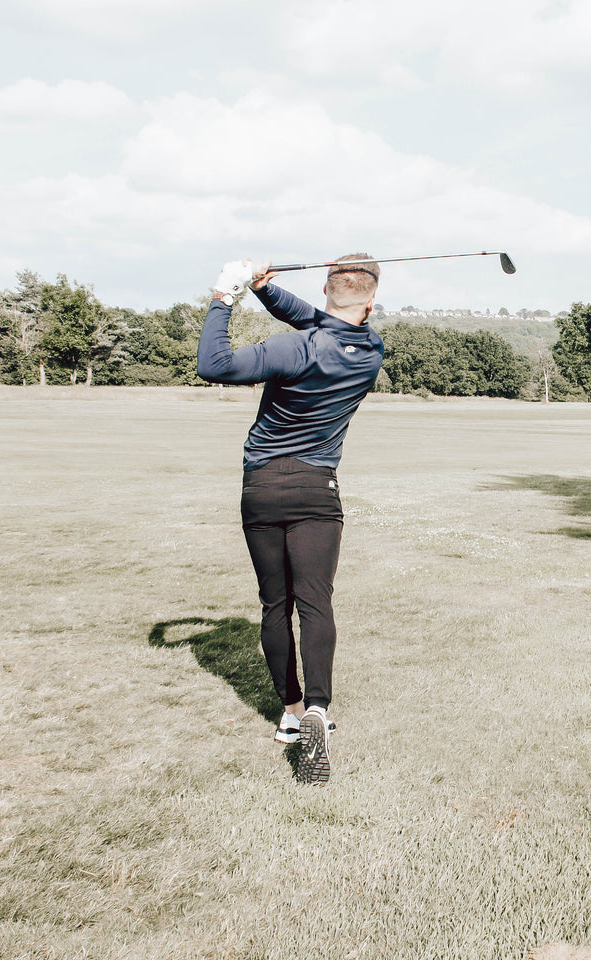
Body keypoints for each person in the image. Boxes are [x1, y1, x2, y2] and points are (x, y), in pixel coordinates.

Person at [196, 254, 385, 784]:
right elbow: (324, 322)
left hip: (262, 486)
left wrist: (223, 297)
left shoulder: (291, 347)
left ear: (326, 289)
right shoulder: (369, 352)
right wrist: (264, 289)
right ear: (370, 304)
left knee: (275, 604)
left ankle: (291, 712)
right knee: (315, 601)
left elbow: (214, 366)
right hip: (317, 490)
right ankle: (321, 710)